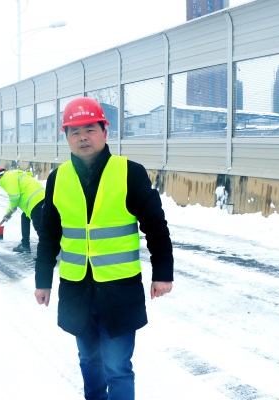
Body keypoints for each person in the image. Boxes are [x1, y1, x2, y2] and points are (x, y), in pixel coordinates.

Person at [34, 97, 174, 399]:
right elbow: (49, 234)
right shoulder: (58, 178)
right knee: (89, 361)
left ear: (104, 131)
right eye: (74, 131)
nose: (83, 137)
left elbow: (155, 224)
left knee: (117, 366)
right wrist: (42, 280)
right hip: (76, 290)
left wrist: (162, 273)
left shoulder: (129, 172)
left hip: (118, 290)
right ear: (66, 137)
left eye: (89, 129)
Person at [0, 167, 45, 253]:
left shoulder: (6, 178)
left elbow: (14, 196)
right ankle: (25, 245)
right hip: (42, 196)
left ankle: (45, 252)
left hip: (35, 200)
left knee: (39, 226)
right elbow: (15, 198)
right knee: (24, 217)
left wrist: (10, 212)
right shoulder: (12, 174)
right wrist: (7, 213)